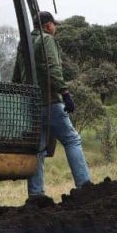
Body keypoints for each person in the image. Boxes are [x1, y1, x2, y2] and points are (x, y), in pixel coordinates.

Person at [24, 11, 91, 203]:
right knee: (71, 140)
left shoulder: (25, 42)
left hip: (30, 103)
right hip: (49, 101)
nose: (56, 28)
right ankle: (85, 187)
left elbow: (18, 72)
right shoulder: (46, 40)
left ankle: (36, 194)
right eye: (54, 25)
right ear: (47, 25)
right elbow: (52, 68)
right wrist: (65, 93)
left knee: (38, 148)